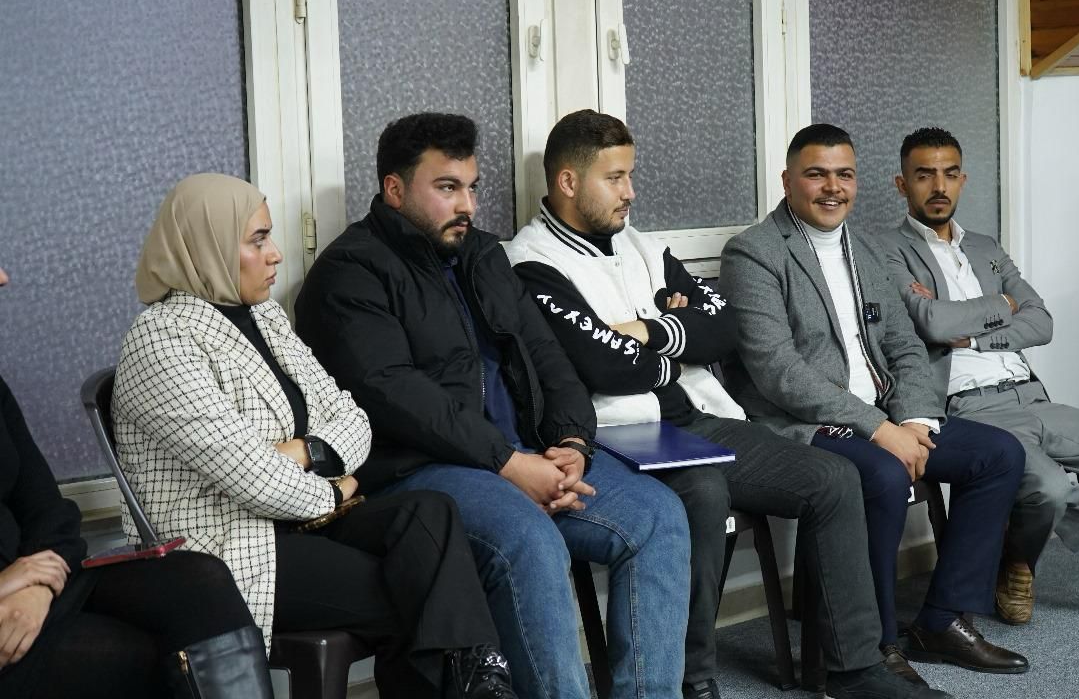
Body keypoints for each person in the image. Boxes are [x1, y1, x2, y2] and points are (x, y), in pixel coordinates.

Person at [507, 109, 948, 699]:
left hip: (697, 416)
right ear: (568, 182)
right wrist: (675, 336)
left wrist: (648, 332)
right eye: (615, 178)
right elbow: (602, 366)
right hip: (620, 430)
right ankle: (693, 679)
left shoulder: (640, 244)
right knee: (703, 492)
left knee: (834, 479)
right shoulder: (531, 261)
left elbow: (723, 326)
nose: (630, 192)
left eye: (630, 175)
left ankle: (855, 669)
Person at [293, 113, 691, 699]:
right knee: (529, 541)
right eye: (447, 187)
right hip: (423, 472)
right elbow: (396, 395)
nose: (468, 205)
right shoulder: (349, 273)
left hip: (529, 454)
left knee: (659, 517)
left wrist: (573, 443)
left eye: (472, 187)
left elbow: (547, 356)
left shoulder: (481, 253)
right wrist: (507, 463)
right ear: (394, 189)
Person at [111, 174, 516, 698]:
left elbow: (351, 416)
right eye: (258, 240)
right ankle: (483, 684)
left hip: (299, 525)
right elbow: (254, 479)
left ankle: (480, 680)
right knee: (421, 592)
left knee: (428, 513)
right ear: (205, 246)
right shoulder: (160, 340)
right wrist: (334, 491)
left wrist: (306, 451)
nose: (276, 254)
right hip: (231, 547)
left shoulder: (263, 316)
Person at [720, 124, 1030, 680]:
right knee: (883, 474)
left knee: (999, 454)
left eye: (844, 175)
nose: (832, 187)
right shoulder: (754, 253)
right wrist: (879, 429)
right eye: (816, 174)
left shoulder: (863, 248)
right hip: (802, 424)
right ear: (787, 181)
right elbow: (777, 371)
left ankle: (941, 620)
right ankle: (875, 645)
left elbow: (903, 345)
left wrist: (914, 418)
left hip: (885, 415)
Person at [882, 127, 1079, 623]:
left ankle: (1017, 541)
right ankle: (1021, 555)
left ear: (963, 180)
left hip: (1032, 397)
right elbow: (931, 322)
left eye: (950, 174)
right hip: (968, 408)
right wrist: (1003, 303)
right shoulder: (886, 249)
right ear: (901, 183)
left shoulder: (986, 247)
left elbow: (1042, 323)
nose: (939, 186)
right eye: (924, 175)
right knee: (1051, 489)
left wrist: (971, 334)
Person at [0, 267, 272, 699]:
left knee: (199, 581)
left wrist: (36, 586)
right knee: (140, 656)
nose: (4, 277)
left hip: (37, 588)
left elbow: (49, 513)